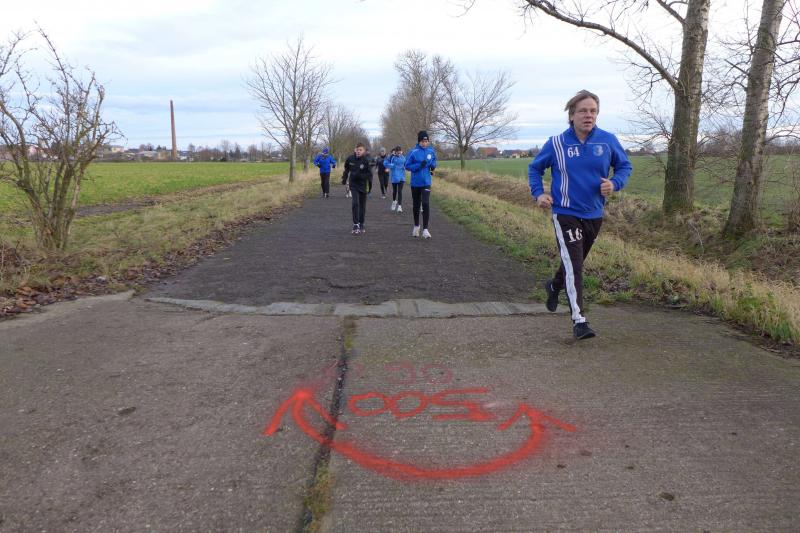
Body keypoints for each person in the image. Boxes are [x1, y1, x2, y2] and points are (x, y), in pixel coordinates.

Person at [529, 89, 632, 340]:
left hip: (594, 213)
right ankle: (579, 320)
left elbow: (624, 166)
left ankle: (554, 285)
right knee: (574, 266)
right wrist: (539, 194)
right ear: (571, 115)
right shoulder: (556, 143)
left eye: (593, 111)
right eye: (583, 111)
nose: (589, 115)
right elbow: (535, 169)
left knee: (573, 263)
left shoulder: (607, 141)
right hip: (565, 212)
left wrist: (615, 183)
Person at [404, 130, 437, 239]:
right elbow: (407, 166)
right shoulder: (413, 152)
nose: (424, 143)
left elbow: (434, 160)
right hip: (415, 183)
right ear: (419, 141)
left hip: (426, 182)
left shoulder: (431, 151)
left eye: (426, 141)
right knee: (416, 205)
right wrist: (419, 165)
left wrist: (433, 166)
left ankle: (426, 230)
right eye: (422, 141)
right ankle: (416, 226)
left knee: (426, 203)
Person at [341, 142, 373, 235]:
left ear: (363, 151)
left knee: (362, 206)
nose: (358, 151)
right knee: (355, 203)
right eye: (357, 150)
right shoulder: (350, 159)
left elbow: (369, 174)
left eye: (360, 150)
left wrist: (360, 176)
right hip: (353, 184)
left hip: (363, 185)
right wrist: (344, 178)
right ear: (355, 150)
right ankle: (355, 224)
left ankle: (361, 223)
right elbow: (346, 169)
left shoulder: (366, 161)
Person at [384, 146, 406, 213]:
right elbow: (385, 163)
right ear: (395, 152)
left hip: (402, 177)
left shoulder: (403, 158)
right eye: (397, 153)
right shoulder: (392, 157)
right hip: (394, 177)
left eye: (400, 152)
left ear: (401, 151)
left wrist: (405, 167)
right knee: (394, 191)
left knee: (400, 191)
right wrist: (389, 166)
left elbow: (406, 164)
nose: (399, 154)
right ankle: (394, 201)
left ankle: (399, 206)